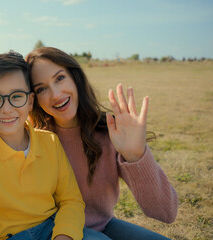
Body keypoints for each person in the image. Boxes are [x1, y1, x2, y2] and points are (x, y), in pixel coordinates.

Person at [25, 47, 178, 240]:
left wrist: (136, 156)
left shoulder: (112, 132)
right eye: (41, 88)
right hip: (54, 232)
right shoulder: (31, 137)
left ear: (75, 78)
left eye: (60, 78)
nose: (55, 94)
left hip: (103, 226)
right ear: (34, 98)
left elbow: (166, 212)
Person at [0, 51, 85, 240]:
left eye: (17, 96)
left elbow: (71, 201)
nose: (7, 108)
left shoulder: (50, 142)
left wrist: (64, 235)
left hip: (55, 230)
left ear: (30, 101)